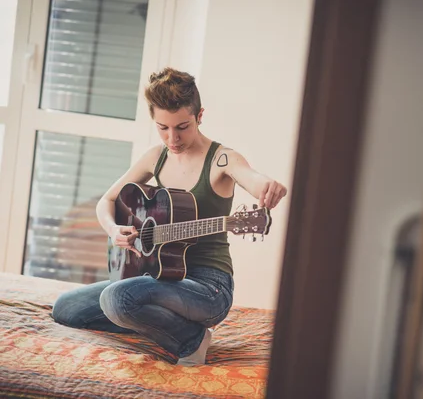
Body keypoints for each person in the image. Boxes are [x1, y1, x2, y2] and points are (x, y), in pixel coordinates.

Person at [51, 67, 287, 366]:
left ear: (199, 116)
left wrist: (265, 185)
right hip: (158, 275)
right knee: (66, 309)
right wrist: (113, 230)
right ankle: (165, 327)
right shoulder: (156, 157)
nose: (172, 138)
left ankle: (191, 339)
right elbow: (108, 200)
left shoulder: (221, 158)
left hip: (207, 287)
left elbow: (250, 177)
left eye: (182, 126)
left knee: (117, 299)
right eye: (162, 127)